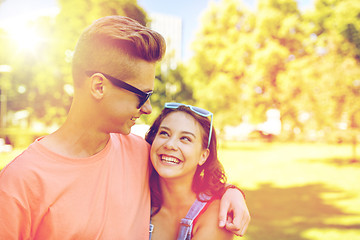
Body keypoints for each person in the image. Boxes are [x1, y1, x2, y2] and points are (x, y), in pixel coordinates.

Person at [0, 16, 249, 239]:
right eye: (143, 95)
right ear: (99, 87)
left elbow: (192, 181)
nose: (148, 109)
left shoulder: (141, 153)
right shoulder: (19, 183)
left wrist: (232, 193)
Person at [145, 103, 238, 239]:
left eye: (185, 138)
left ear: (203, 156)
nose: (170, 144)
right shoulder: (138, 198)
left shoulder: (216, 215)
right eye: (164, 133)